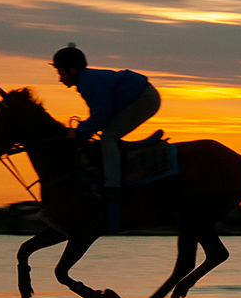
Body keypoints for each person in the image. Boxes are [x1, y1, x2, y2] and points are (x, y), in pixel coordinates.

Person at [51, 43, 161, 199]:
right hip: (142, 95)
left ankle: (112, 186)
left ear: (72, 70)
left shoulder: (88, 83)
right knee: (108, 134)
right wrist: (83, 129)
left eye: (61, 73)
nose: (60, 79)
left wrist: (78, 131)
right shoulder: (87, 80)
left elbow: (100, 117)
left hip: (144, 98)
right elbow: (101, 116)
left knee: (108, 137)